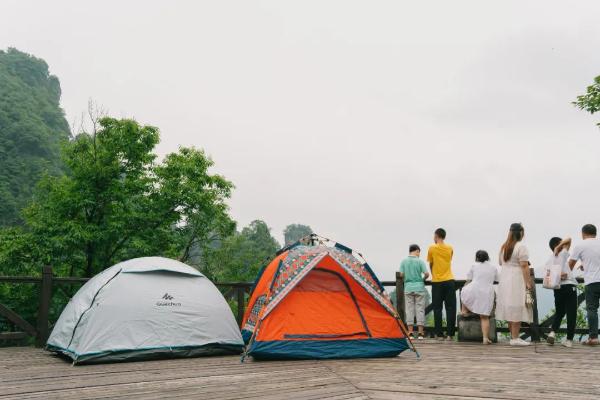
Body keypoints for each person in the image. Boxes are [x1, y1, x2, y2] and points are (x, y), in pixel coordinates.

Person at [496, 223, 533, 346]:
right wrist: (528, 282)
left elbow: (500, 263)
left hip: (505, 278)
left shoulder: (504, 247)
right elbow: (524, 266)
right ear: (521, 233)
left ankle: (513, 336)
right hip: (516, 279)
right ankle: (515, 338)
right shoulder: (521, 247)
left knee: (509, 306)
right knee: (517, 306)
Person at [565, 224, 600, 346]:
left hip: (592, 281)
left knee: (592, 309)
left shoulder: (581, 245)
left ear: (583, 233)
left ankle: (594, 337)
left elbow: (570, 264)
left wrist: (564, 276)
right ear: (595, 233)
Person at [460, 250, 499, 345]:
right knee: (484, 317)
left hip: (475, 289)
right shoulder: (493, 267)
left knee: (465, 292)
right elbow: (497, 279)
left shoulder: (474, 266)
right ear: (487, 257)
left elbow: (469, 278)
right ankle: (485, 338)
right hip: (487, 292)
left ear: (477, 258)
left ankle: (464, 310)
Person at [546, 237, 577, 348]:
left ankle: (552, 332)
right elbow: (569, 239)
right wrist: (560, 246)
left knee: (559, 312)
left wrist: (558, 275)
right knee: (571, 313)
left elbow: (548, 274)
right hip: (569, 286)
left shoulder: (550, 258)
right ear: (558, 245)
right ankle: (569, 340)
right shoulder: (563, 253)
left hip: (557, 287)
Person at [427, 228, 456, 340]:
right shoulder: (450, 248)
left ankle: (439, 334)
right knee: (450, 308)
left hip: (437, 282)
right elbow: (449, 261)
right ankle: (450, 335)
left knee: (437, 308)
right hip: (449, 280)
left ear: (437, 236)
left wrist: (434, 273)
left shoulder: (432, 248)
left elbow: (431, 263)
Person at [399, 244, 430, 340]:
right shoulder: (420, 261)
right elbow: (426, 274)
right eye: (419, 252)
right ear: (417, 251)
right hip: (419, 287)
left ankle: (410, 333)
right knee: (420, 309)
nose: (419, 254)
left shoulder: (403, 261)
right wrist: (422, 279)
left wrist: (406, 279)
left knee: (409, 310)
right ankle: (420, 333)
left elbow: (401, 274)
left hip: (408, 288)